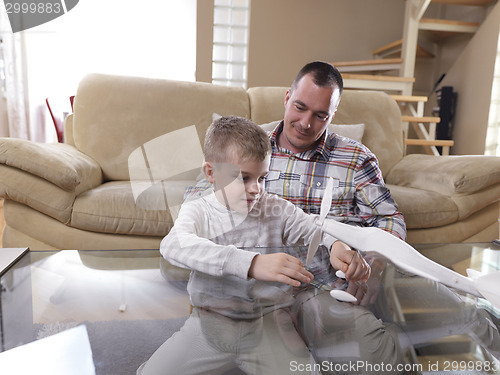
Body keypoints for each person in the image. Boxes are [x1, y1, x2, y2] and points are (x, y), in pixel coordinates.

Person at [138, 116, 371, 375]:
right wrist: (252, 264)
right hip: (209, 326)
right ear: (210, 173)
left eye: (261, 178)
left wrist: (336, 244)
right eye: (244, 178)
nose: (255, 189)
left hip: (269, 326)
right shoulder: (199, 211)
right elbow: (173, 245)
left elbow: (313, 227)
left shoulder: (275, 208)